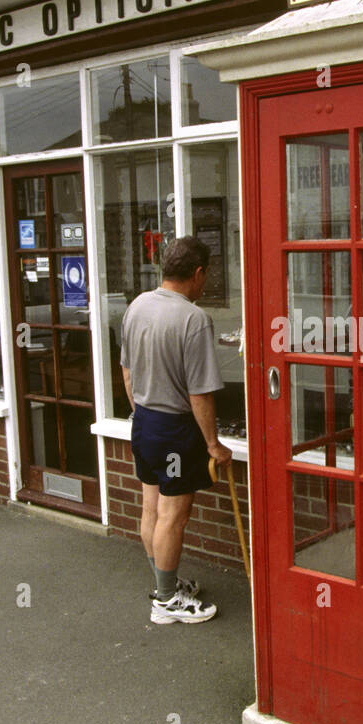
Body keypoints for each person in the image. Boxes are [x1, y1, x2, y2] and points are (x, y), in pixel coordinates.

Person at [120, 236, 232, 625]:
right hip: (174, 430)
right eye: (207, 275)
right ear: (198, 273)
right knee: (173, 516)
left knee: (151, 508)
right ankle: (166, 602)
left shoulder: (137, 305)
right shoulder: (193, 318)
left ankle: (162, 586)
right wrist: (213, 444)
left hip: (145, 422)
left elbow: (127, 371)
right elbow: (200, 394)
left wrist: (143, 412)